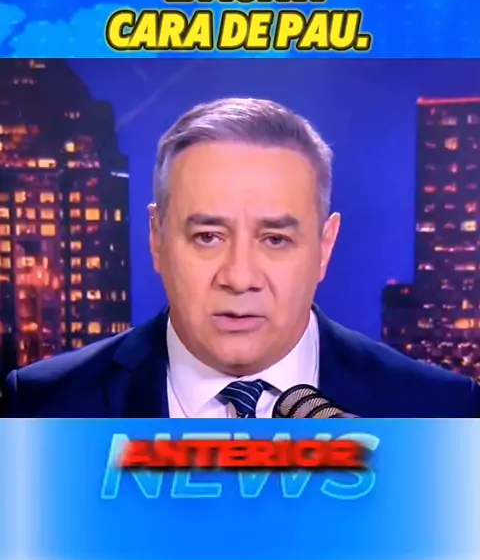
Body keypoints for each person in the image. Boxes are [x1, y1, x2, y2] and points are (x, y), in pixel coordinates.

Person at [2, 97, 479, 418]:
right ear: (156, 238)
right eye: (208, 236)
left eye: (275, 240)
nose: (239, 277)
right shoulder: (44, 407)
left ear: (325, 247)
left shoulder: (438, 413)